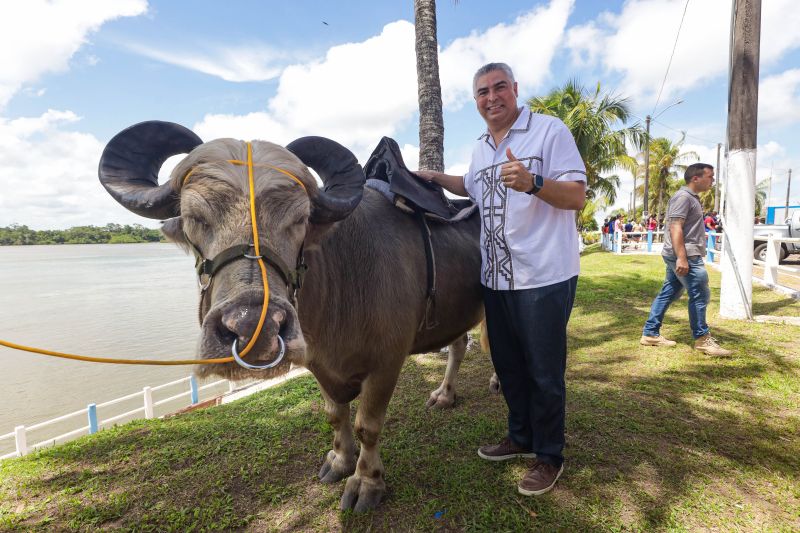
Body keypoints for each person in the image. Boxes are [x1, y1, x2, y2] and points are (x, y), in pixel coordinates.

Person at [415, 62, 586, 496]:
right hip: (496, 276)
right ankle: (521, 437)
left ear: (515, 89)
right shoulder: (480, 147)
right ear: (475, 101)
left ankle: (548, 456)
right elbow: (472, 186)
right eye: (482, 92)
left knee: (544, 372)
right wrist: (437, 178)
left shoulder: (549, 132)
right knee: (508, 366)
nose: (491, 97)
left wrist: (533, 182)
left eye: (499, 88)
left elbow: (577, 196)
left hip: (544, 275)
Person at [640, 163, 732, 356]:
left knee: (669, 293)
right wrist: (682, 258)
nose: (713, 181)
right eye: (710, 177)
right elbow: (675, 227)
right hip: (685, 256)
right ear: (695, 178)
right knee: (700, 294)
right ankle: (702, 339)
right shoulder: (683, 197)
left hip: (683, 254)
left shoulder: (691, 198)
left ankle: (650, 333)